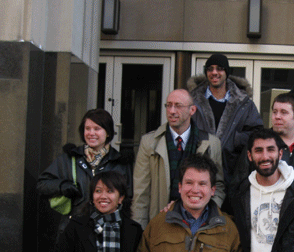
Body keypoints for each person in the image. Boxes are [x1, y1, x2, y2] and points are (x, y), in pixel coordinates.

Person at [131, 88, 225, 229]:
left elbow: (218, 187)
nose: (172, 111)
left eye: (178, 106)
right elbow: (141, 194)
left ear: (192, 110)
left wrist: (206, 212)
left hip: (199, 223)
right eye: (168, 105)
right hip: (161, 222)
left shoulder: (211, 143)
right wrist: (140, 230)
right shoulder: (149, 142)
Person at [37, 109, 133, 234]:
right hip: (74, 230)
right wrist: (62, 186)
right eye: (87, 129)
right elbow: (42, 185)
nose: (91, 133)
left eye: (97, 128)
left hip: (108, 231)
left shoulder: (119, 162)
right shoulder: (69, 158)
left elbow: (128, 197)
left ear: (108, 132)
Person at [187, 53, 263, 186]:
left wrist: (235, 140)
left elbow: (257, 134)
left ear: (226, 72)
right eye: (210, 69)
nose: (214, 72)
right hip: (198, 174)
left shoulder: (244, 103)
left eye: (219, 68)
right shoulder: (192, 101)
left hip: (232, 174)